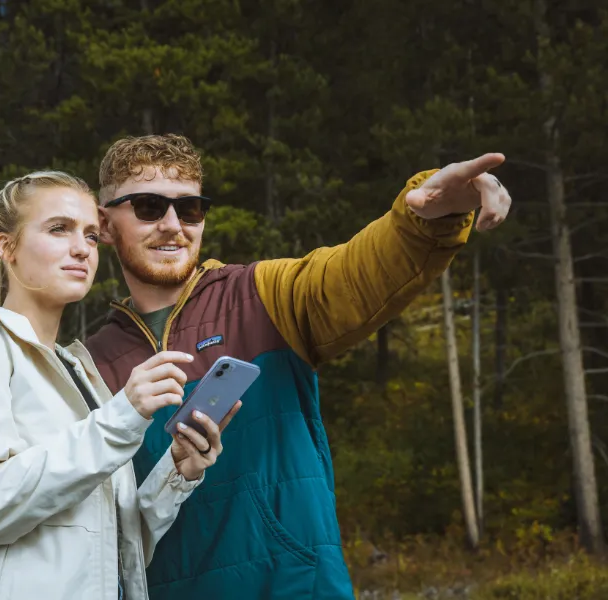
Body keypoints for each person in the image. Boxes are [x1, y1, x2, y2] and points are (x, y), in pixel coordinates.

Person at [84, 134, 512, 599]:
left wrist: (428, 218)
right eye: (149, 207)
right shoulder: (89, 365)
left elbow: (360, 270)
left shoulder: (265, 295)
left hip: (293, 587)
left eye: (190, 209)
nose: (173, 225)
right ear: (105, 224)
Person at [0, 171, 239, 600]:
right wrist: (122, 417)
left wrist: (178, 470)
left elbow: (113, 546)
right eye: (59, 229)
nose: (81, 248)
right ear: (8, 248)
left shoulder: (79, 371)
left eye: (92, 236)